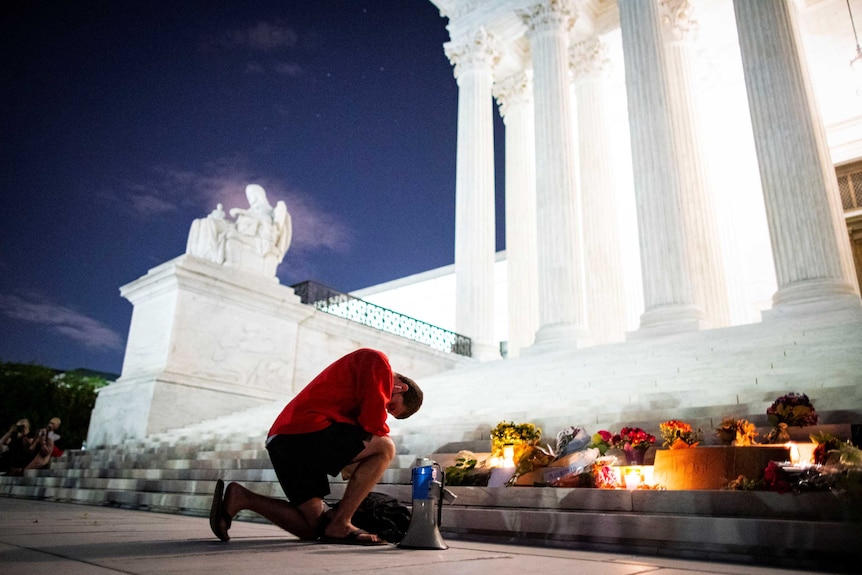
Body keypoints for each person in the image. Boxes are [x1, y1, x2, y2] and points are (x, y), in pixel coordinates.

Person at [209, 348, 423, 546]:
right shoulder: (377, 360)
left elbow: (363, 425)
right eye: (390, 406)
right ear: (400, 387)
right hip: (303, 431)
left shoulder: (362, 389)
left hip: (286, 441)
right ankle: (342, 523)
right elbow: (372, 422)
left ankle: (242, 497)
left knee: (313, 527)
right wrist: (358, 458)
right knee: (385, 447)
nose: (385, 407)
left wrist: (353, 460)